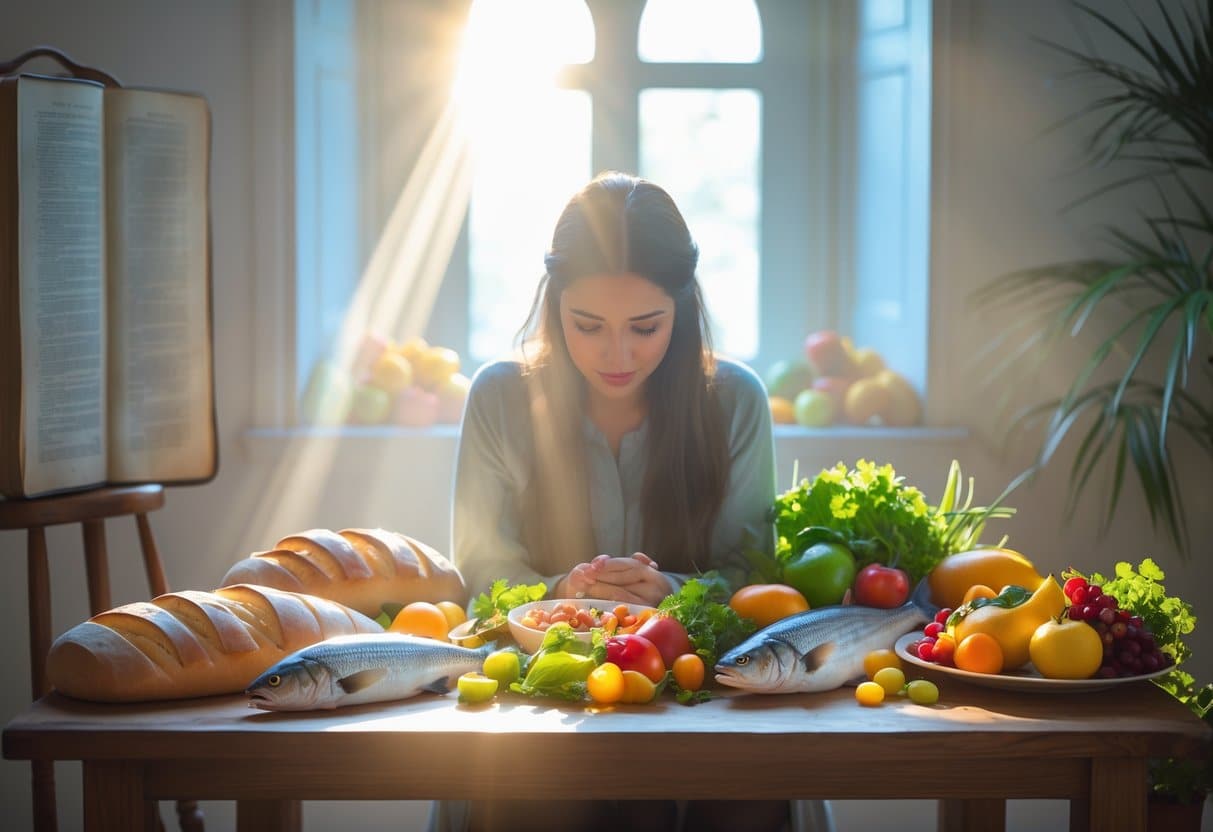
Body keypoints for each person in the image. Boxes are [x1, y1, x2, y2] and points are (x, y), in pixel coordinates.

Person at [432, 172, 833, 832]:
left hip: (703, 690)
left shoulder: (734, 400)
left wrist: (669, 592)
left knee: (744, 803)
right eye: (586, 326)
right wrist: (563, 591)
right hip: (542, 694)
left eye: (645, 327)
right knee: (536, 799)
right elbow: (480, 576)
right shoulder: (500, 397)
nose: (615, 355)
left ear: (681, 311)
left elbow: (755, 578)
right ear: (553, 306)